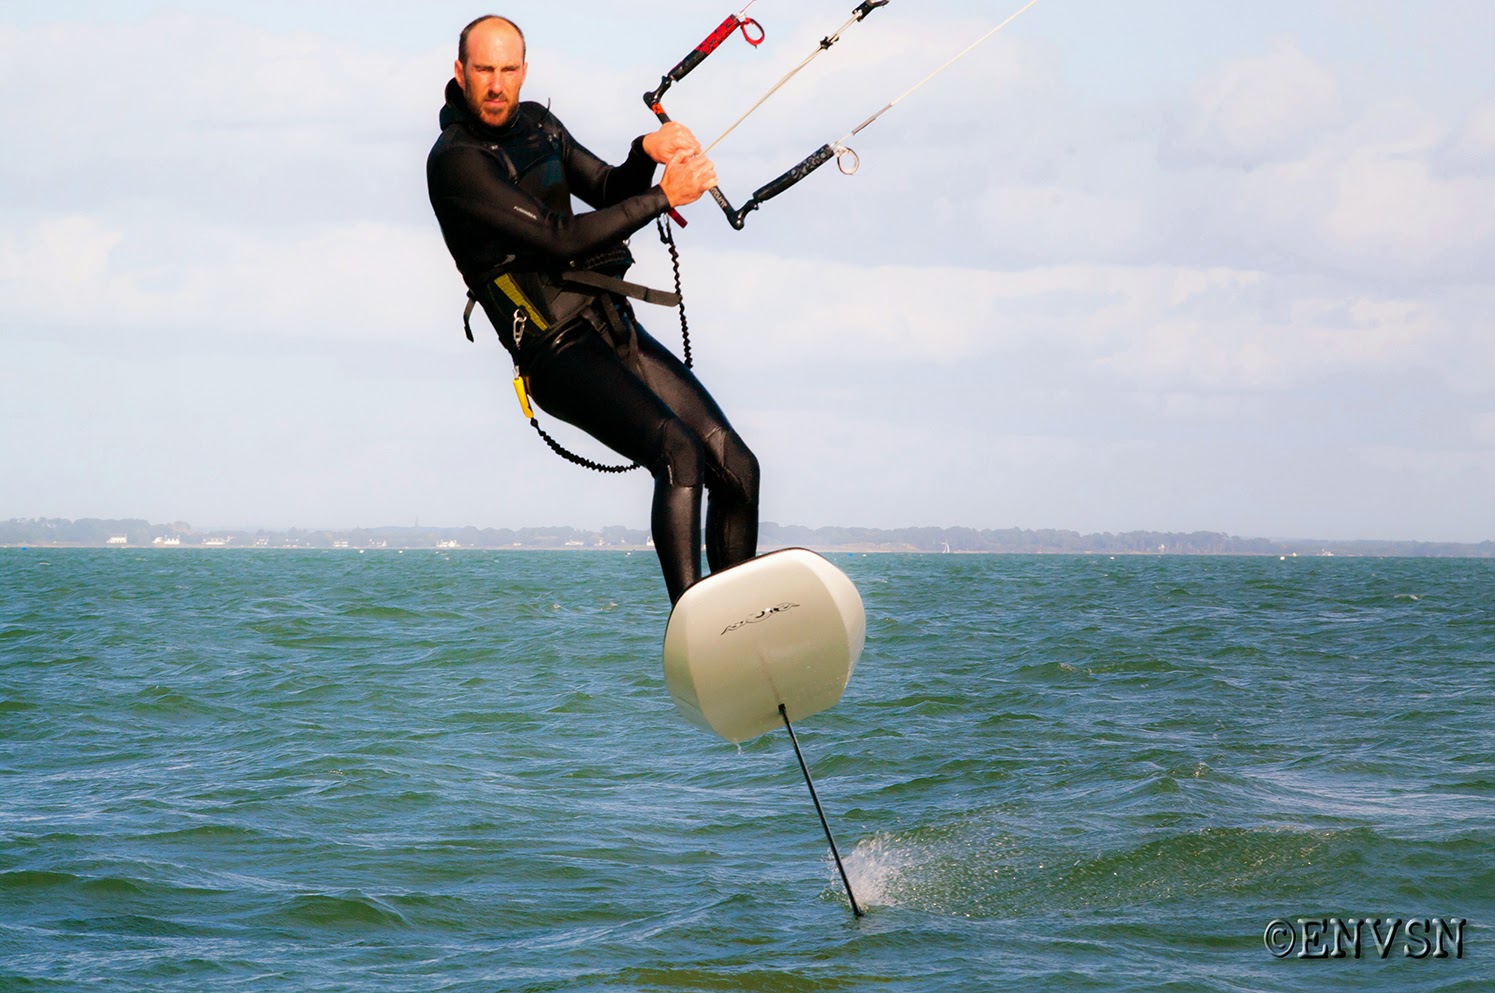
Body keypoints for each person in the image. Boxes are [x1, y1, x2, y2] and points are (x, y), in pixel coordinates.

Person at [427, 15, 760, 605]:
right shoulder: (456, 162)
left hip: (609, 326)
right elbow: (558, 237)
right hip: (555, 353)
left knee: (737, 465)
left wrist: (643, 154)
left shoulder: (539, 126)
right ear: (460, 72)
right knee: (678, 454)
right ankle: (695, 626)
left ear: (525, 72)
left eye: (509, 71)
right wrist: (664, 196)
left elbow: (605, 189)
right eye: (484, 71)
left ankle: (741, 622)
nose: (498, 85)